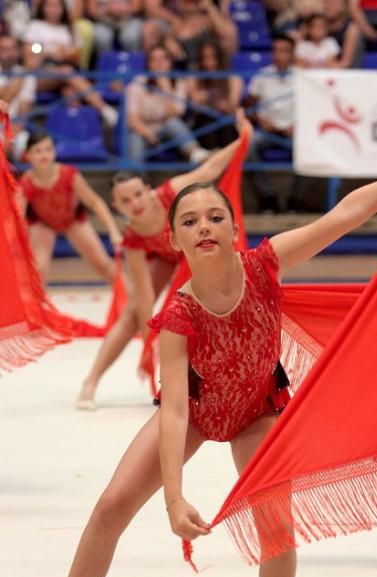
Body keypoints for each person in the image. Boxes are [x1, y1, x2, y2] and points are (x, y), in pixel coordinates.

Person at [15, 130, 377, 577]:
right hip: (199, 413)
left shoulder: (264, 266)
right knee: (110, 507)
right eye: (189, 221)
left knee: (275, 519)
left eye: (213, 217)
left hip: (257, 407)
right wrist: (174, 501)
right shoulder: (177, 316)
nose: (203, 226)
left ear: (233, 229)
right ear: (174, 241)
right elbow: (176, 410)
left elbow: (344, 214)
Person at [77, 114, 250, 410]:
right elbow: (144, 298)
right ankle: (90, 381)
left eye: (137, 194)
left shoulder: (170, 193)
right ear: (117, 207)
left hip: (196, 253)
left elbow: (209, 168)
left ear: (148, 190)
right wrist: (148, 347)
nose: (135, 203)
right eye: (126, 201)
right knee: (132, 312)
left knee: (210, 308)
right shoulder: (133, 236)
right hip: (168, 256)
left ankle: (224, 376)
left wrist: (241, 140)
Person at [17, 131, 123, 283]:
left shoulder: (69, 174)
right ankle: (37, 305)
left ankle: (130, 295)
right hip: (42, 223)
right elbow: (17, 215)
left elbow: (95, 202)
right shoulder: (26, 182)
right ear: (28, 155)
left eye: (48, 149)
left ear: (54, 151)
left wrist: (113, 231)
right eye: (38, 151)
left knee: (103, 263)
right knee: (38, 268)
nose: (44, 155)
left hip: (73, 220)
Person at [23, 0, 118, 126]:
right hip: (40, 74)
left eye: (57, 6)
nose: (53, 10)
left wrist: (65, 54)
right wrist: (49, 53)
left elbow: (78, 58)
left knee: (71, 92)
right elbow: (29, 62)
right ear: (43, 8)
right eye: (50, 6)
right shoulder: (34, 27)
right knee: (67, 72)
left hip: (65, 74)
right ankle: (104, 108)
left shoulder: (69, 29)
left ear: (63, 9)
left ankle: (75, 135)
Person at [126, 43, 210, 164]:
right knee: (135, 139)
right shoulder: (137, 84)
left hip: (167, 131)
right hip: (143, 131)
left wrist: (165, 88)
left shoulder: (180, 84)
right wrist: (148, 133)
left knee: (173, 123)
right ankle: (135, 178)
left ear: (170, 62)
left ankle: (194, 152)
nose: (158, 64)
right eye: (154, 60)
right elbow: (132, 120)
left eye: (163, 59)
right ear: (148, 64)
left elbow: (175, 115)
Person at [245, 35, 302, 212]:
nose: (279, 55)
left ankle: (294, 199)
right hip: (267, 130)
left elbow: (311, 107)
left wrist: (297, 126)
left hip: (293, 130)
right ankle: (268, 197)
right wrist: (261, 121)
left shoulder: (301, 76)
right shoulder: (262, 76)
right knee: (249, 144)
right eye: (276, 51)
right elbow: (249, 106)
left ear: (292, 54)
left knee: (307, 149)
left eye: (284, 51)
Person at [186, 39, 243, 150]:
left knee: (224, 120)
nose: (209, 62)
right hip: (201, 124)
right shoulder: (194, 78)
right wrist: (214, 99)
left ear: (220, 59)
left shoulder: (233, 79)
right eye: (205, 58)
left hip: (226, 125)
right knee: (207, 118)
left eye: (213, 57)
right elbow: (195, 104)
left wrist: (207, 98)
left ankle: (226, 159)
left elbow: (231, 106)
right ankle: (213, 155)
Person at [0, 34, 36, 161]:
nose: (10, 53)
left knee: (28, 145)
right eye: (5, 49)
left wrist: (12, 133)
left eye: (13, 49)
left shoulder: (27, 75)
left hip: (14, 128)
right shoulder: (26, 73)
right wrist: (25, 72)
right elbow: (4, 98)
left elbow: (25, 108)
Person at [324, 0, 363, 68]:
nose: (328, 7)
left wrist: (324, 67)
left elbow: (346, 62)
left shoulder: (351, 28)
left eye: (333, 3)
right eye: (326, 2)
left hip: (342, 72)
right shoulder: (317, 25)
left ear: (344, 6)